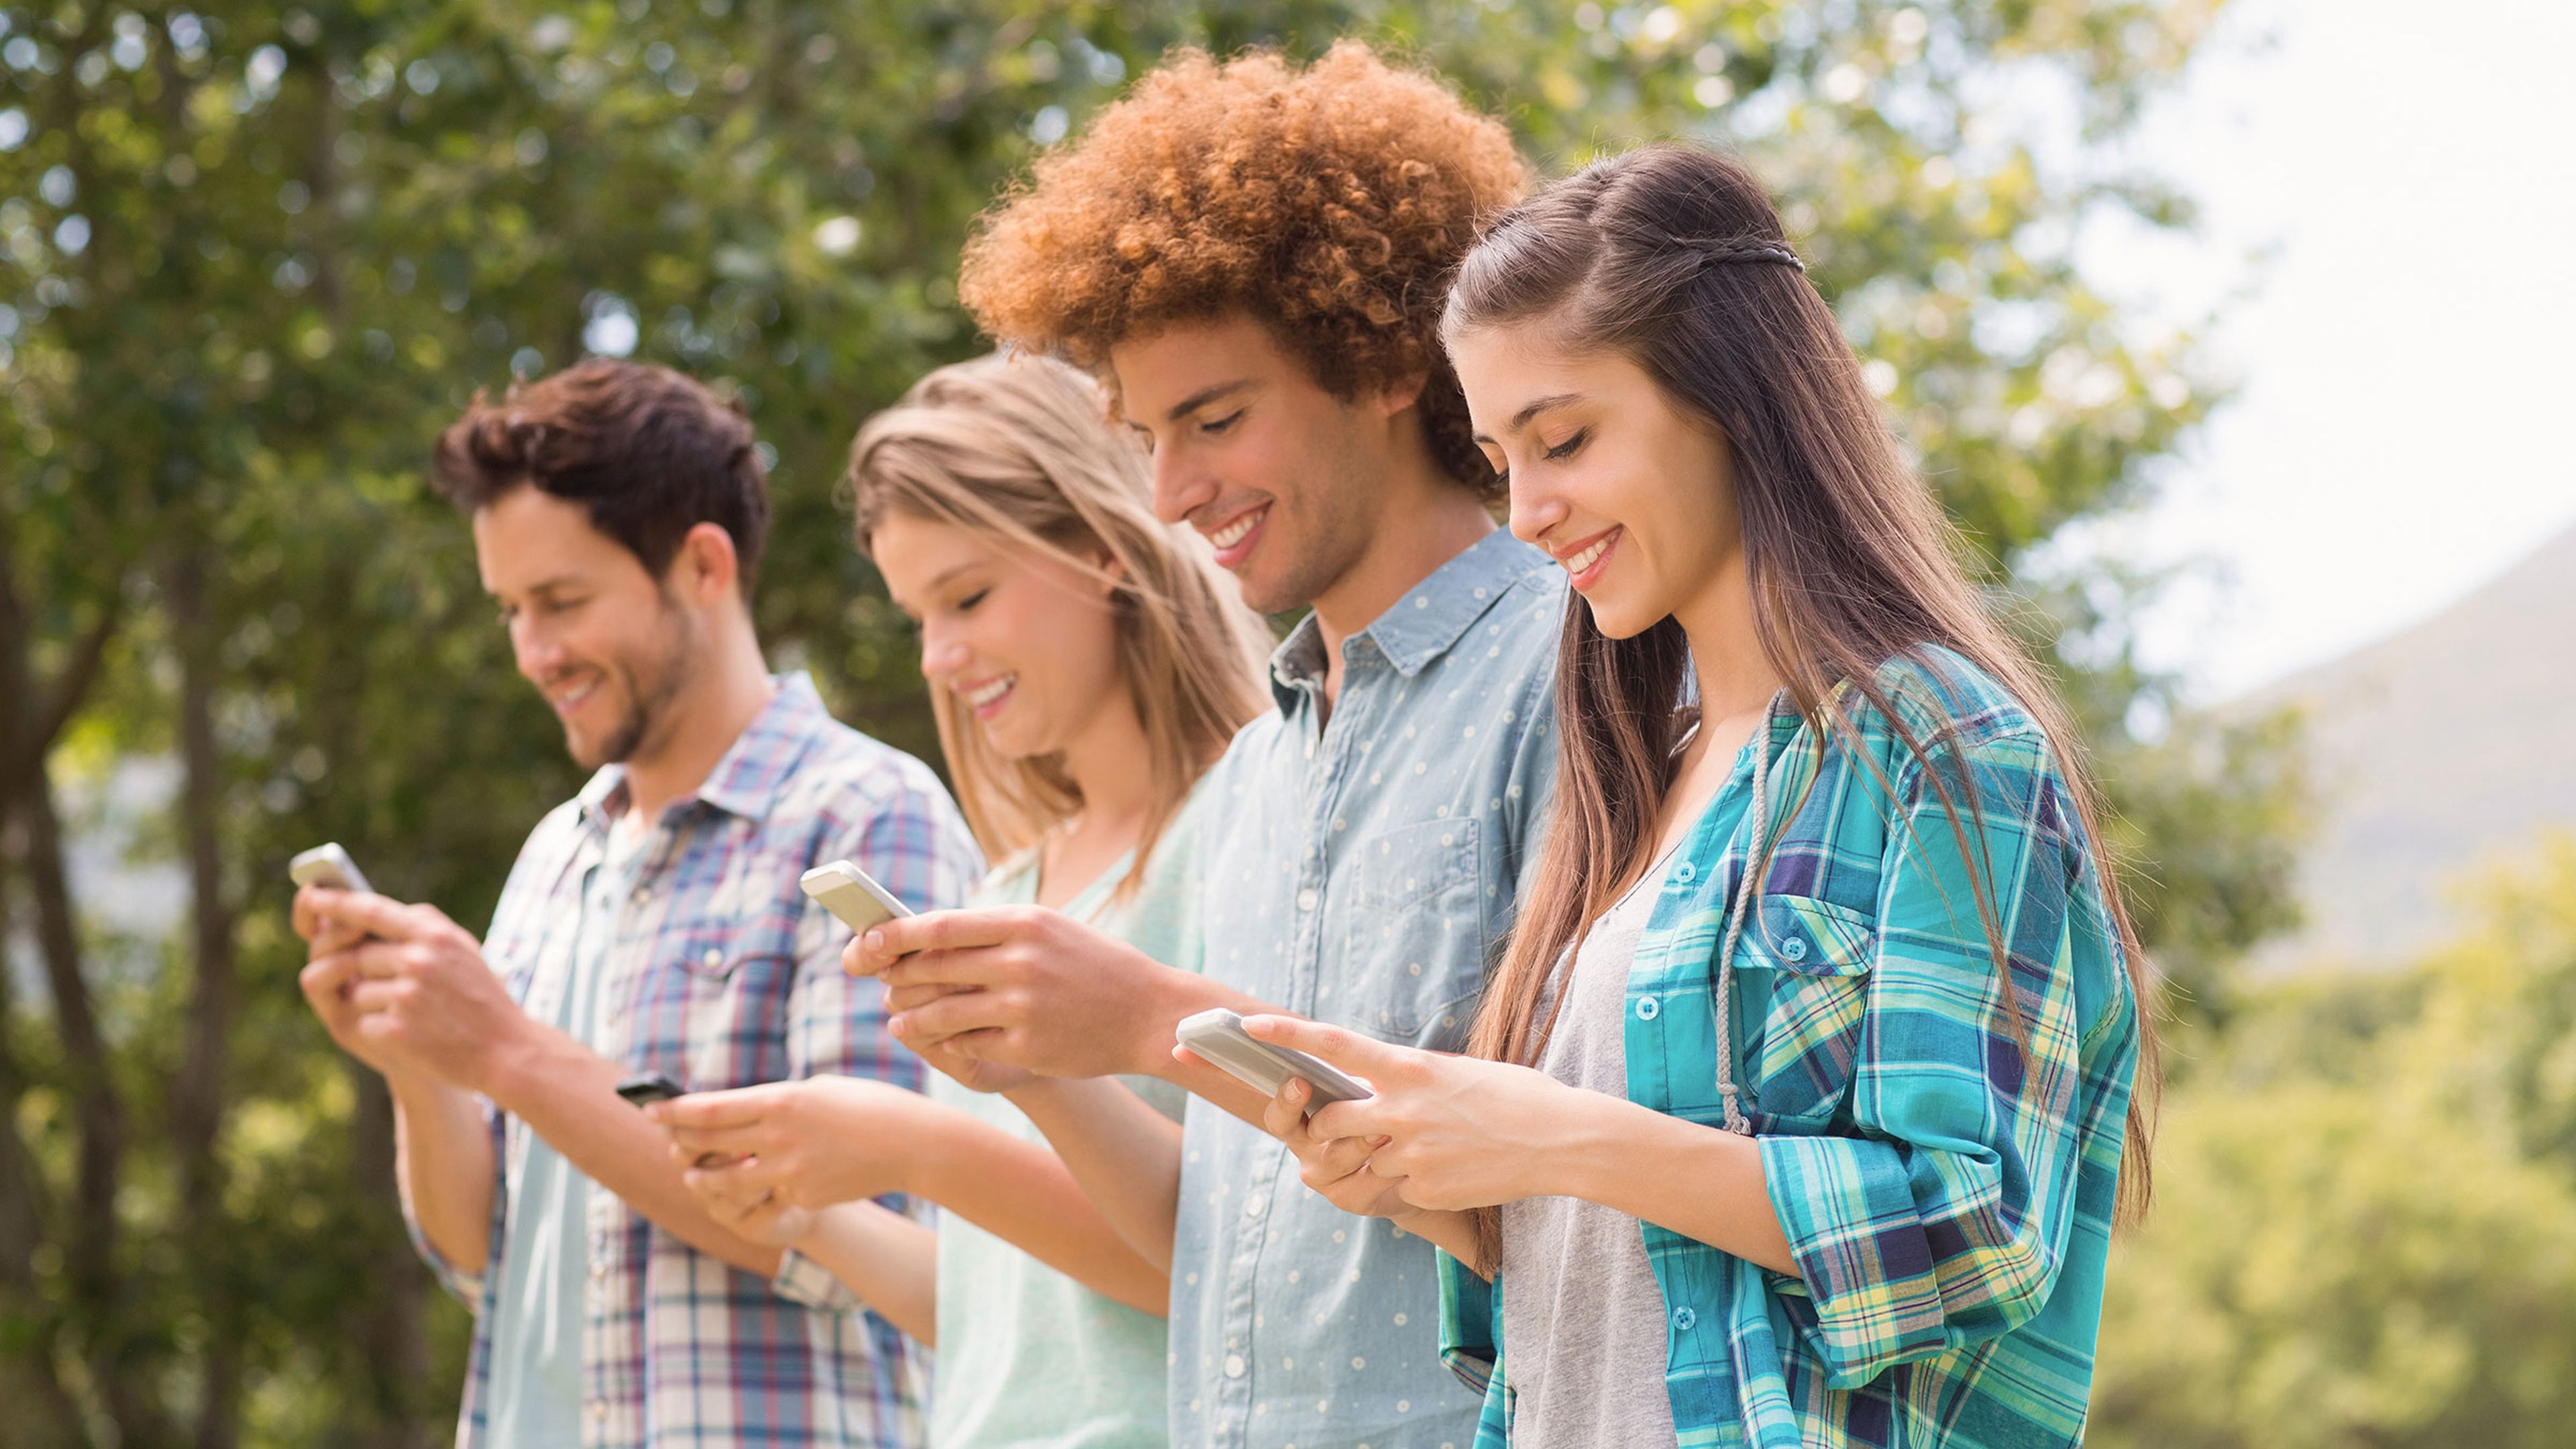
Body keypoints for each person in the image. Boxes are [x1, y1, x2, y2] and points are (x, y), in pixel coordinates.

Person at [1245, 143, 2158, 1448]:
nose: (1529, 511)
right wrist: (1425, 1167)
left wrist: (1559, 1137)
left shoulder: (1943, 751)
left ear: (1734, 400)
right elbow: (1601, 1268)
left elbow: (1975, 1231)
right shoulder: (1633, 785)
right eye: (1502, 457)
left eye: (1563, 439)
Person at [842, 43, 1560, 1449]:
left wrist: (1153, 1025)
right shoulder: (1255, 782)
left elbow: (1588, 1192)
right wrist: (1036, 1060)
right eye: (1146, 436)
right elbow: (1213, 1244)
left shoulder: (1572, 682)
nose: (1172, 493)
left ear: (1386, 360)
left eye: (1216, 420)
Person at [292, 358, 981, 1449]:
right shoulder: (557, 854)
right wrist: (421, 1063)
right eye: (513, 610)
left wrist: (507, 1052)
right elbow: (485, 1258)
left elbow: (875, 1242)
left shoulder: (866, 816)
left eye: (562, 602)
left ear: (703, 565)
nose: (535, 654)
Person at [643, 352, 1273, 1448]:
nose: (940, 656)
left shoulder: (1254, 820)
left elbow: (1240, 1269)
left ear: (1104, 545)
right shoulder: (1012, 885)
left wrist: (914, 1148)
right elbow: (1002, 1315)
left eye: (969, 596)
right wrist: (818, 1219)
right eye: (916, 617)